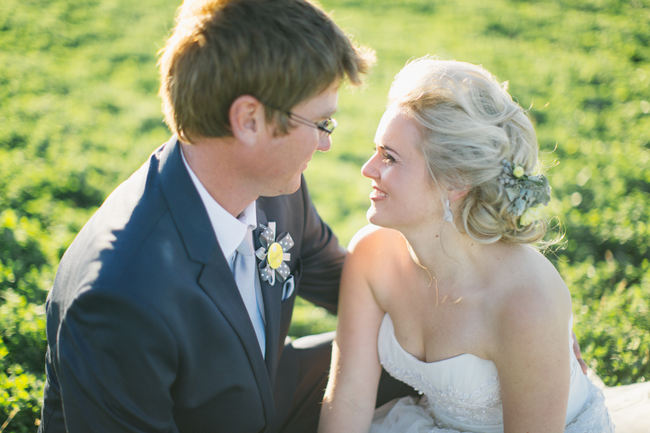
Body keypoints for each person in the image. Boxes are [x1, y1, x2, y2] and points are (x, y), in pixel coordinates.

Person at [37, 1, 380, 432]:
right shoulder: (120, 297)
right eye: (322, 123)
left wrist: (459, 309)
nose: (326, 143)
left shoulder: (274, 188)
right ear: (249, 120)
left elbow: (347, 283)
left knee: (413, 363)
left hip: (261, 388)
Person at [318, 57, 617, 433]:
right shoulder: (370, 255)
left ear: (455, 182)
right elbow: (348, 398)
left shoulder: (526, 300)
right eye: (376, 150)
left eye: (389, 157)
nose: (368, 169)